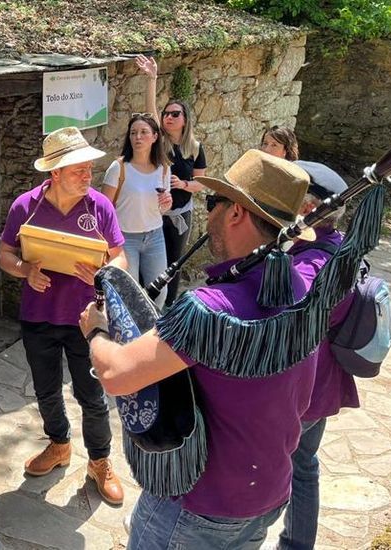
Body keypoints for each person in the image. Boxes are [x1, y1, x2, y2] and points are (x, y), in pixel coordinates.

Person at [81, 150, 318, 548]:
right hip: (268, 491)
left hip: (199, 504)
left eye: (214, 203)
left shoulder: (210, 309)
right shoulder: (302, 290)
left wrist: (95, 331)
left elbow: (117, 374)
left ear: (237, 214)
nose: (208, 216)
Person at [0, 126, 128, 505]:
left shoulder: (99, 206)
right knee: (46, 390)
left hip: (86, 317)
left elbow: (119, 255)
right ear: (54, 173)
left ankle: (100, 461)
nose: (88, 176)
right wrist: (25, 270)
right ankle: (59, 445)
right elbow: (4, 254)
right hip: (38, 316)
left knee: (92, 396)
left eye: (89, 168)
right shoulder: (26, 205)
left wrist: (104, 272)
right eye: (78, 170)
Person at [275, 161, 356, 550]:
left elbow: (287, 307)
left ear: (309, 209)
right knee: (304, 466)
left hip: (301, 390)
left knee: (271, 468)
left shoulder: (312, 262)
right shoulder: (339, 246)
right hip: (322, 385)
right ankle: (297, 544)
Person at [136, 55, 209, 306]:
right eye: (166, 113)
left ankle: (168, 308)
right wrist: (152, 79)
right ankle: (149, 305)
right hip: (156, 214)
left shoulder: (195, 148)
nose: (168, 117)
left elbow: (203, 183)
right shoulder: (162, 142)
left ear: (185, 118)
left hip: (181, 213)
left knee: (174, 262)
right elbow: (149, 112)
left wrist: (184, 185)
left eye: (174, 114)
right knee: (154, 263)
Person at [101, 113, 173, 309]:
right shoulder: (119, 168)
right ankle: (131, 335)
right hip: (125, 238)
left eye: (143, 132)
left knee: (160, 291)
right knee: (129, 293)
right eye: (133, 133)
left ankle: (151, 331)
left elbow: (163, 209)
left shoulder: (164, 169)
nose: (137, 137)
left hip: (155, 236)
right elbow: (104, 209)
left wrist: (167, 203)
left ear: (155, 137)